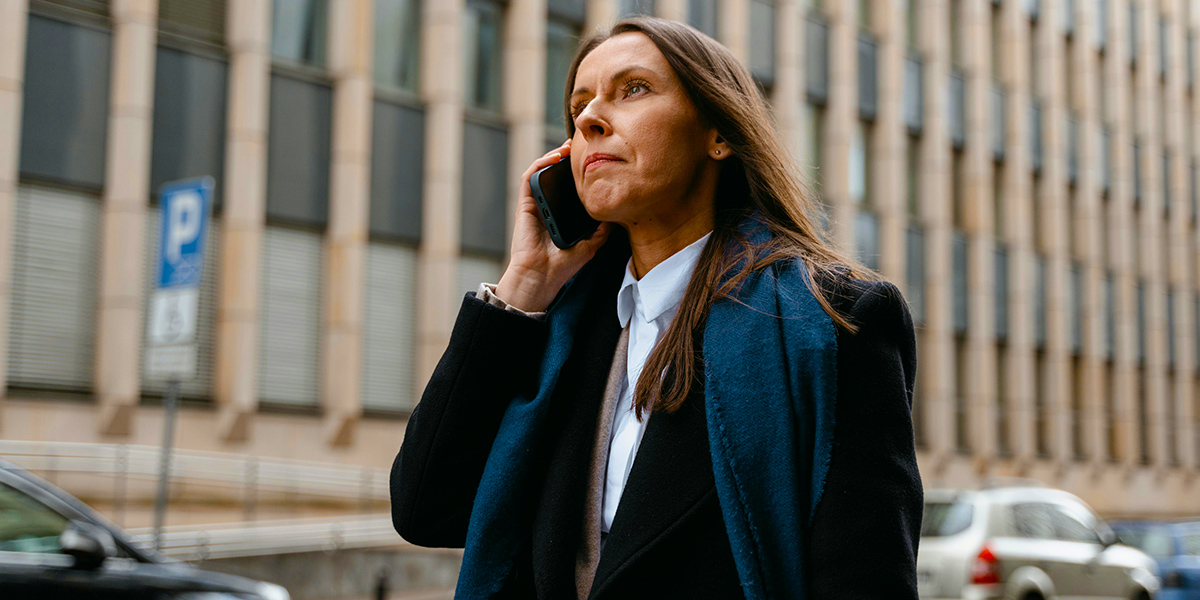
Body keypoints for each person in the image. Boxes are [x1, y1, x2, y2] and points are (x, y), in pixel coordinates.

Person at [390, 16, 922, 600]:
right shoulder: (558, 327)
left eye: (633, 89)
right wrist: (525, 284)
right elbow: (425, 511)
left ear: (718, 134)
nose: (590, 120)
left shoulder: (835, 320)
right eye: (579, 106)